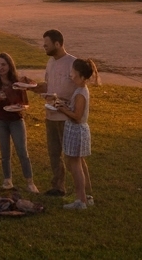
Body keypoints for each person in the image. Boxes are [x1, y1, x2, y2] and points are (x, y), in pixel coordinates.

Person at [19, 29, 76, 197]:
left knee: (71, 155)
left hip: (66, 115)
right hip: (50, 114)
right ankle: (58, 187)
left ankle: (81, 189)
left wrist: (64, 102)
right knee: (54, 153)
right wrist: (31, 86)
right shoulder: (50, 63)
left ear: (57, 44)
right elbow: (48, 86)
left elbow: (80, 89)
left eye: (47, 45)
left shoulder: (72, 63)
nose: (44, 47)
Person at [0, 52, 37, 193]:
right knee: (5, 152)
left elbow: (25, 101)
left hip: (16, 120)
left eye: (3, 64)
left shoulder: (17, 82)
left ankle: (30, 182)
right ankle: (7, 180)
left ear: (9, 65)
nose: (0, 68)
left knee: (22, 151)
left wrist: (27, 84)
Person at [52, 58, 97, 210]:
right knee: (77, 163)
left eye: (73, 72)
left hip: (76, 130)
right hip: (77, 130)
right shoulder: (79, 90)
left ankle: (81, 200)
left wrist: (61, 109)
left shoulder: (81, 93)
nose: (71, 75)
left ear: (82, 77)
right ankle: (86, 196)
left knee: (75, 165)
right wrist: (65, 104)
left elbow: (77, 116)